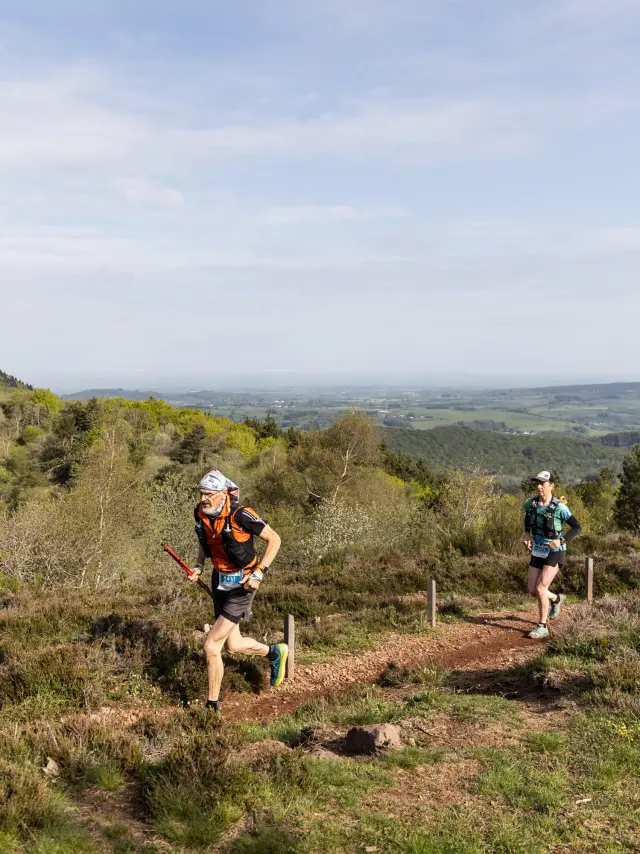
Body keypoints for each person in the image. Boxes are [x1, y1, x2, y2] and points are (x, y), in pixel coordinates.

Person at [188, 469, 287, 713]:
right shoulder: (201, 513)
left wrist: (260, 572)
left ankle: (212, 706)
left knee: (211, 645)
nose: (204, 499)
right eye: (202, 494)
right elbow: (206, 542)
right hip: (219, 580)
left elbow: (275, 540)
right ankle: (275, 652)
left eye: (209, 494)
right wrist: (199, 566)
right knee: (233, 645)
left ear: (223, 494)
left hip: (244, 584)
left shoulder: (241, 515)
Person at [523, 470, 582, 639]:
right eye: (538, 483)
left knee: (541, 589)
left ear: (551, 486)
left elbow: (577, 527)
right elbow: (528, 518)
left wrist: (561, 540)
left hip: (555, 551)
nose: (539, 486)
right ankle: (557, 599)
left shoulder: (560, 508)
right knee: (532, 590)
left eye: (543, 483)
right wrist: (527, 534)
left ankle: (542, 626)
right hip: (538, 549)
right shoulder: (531, 503)